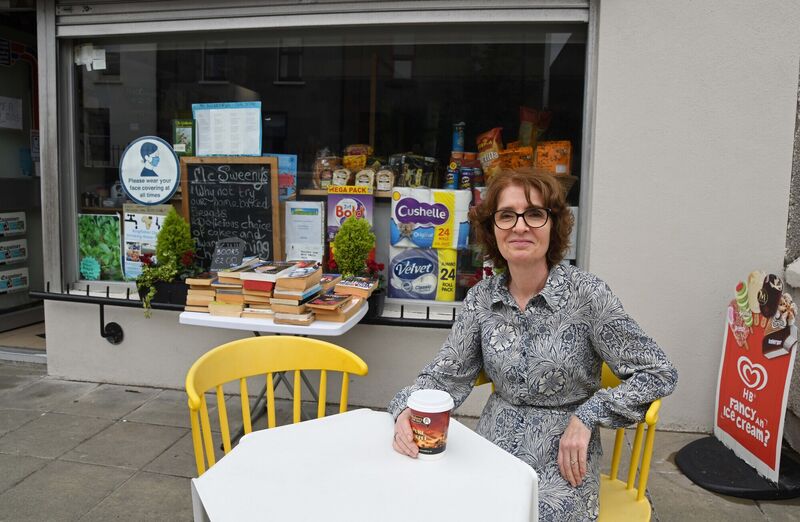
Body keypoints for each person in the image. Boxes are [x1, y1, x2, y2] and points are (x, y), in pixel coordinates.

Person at [388, 167, 678, 521]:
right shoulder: (481, 299)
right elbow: (447, 374)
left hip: (564, 455)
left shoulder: (586, 295)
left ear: (553, 225)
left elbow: (657, 372)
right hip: (493, 447)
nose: (520, 226)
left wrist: (588, 416)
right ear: (492, 229)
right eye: (507, 215)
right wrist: (406, 408)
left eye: (534, 214)